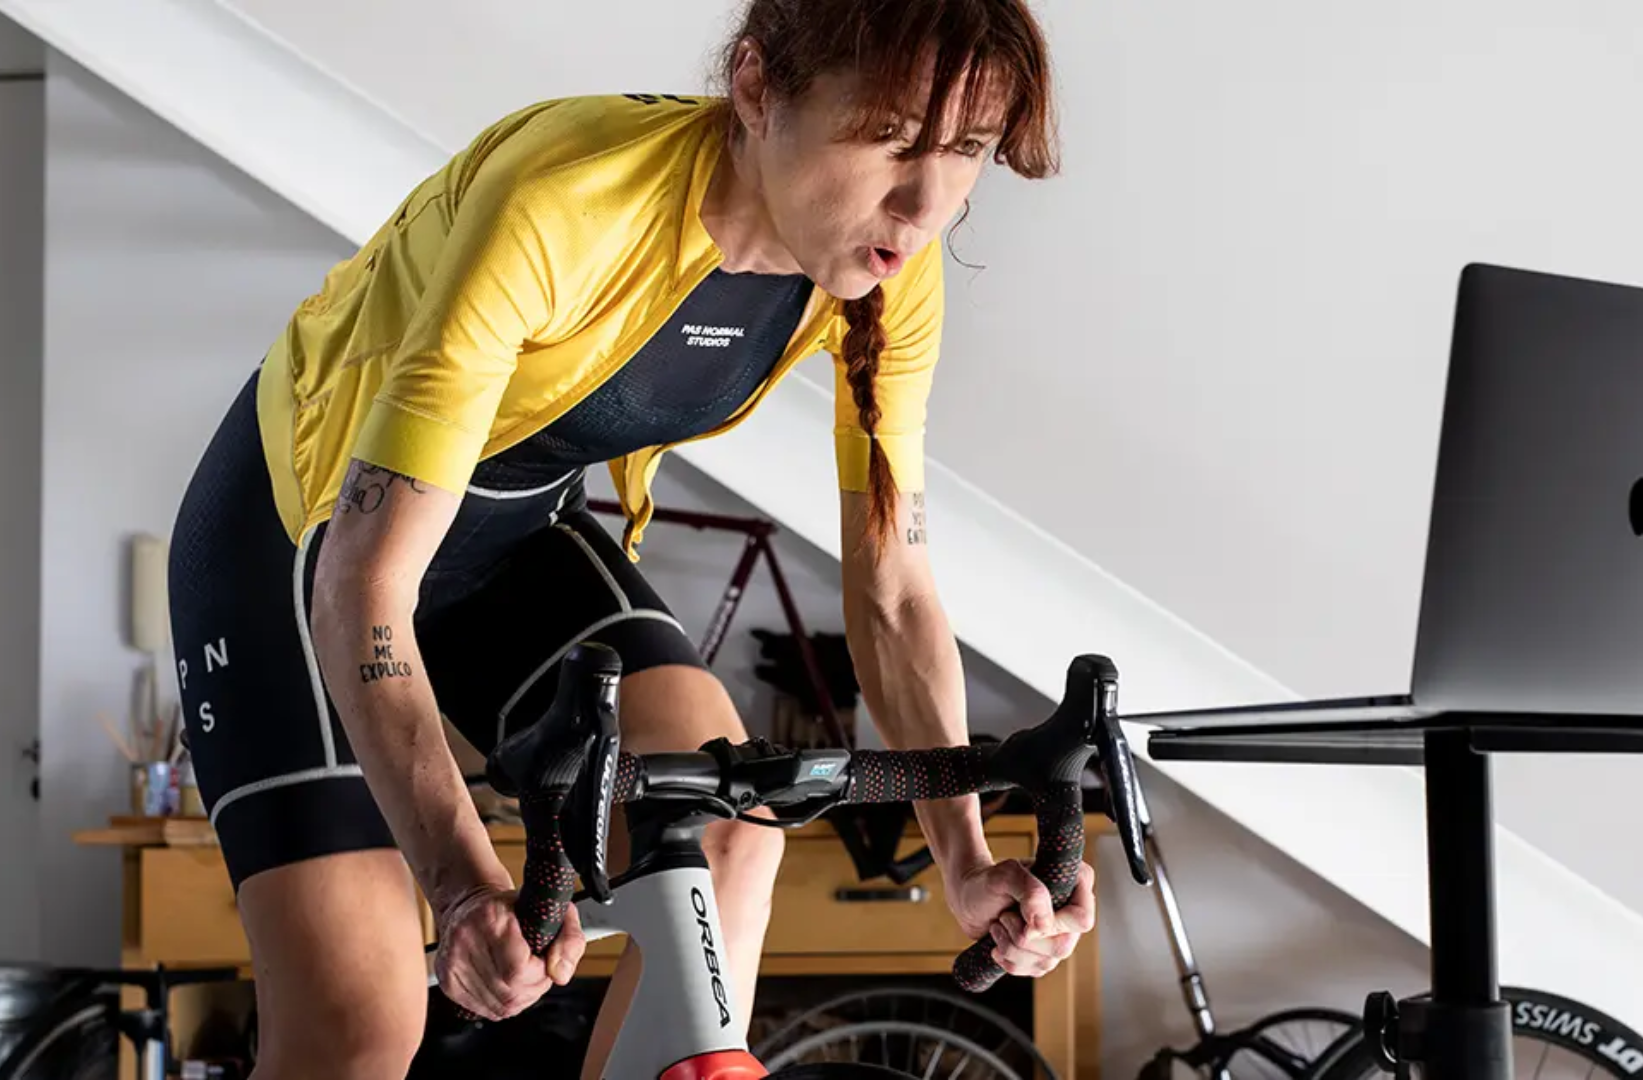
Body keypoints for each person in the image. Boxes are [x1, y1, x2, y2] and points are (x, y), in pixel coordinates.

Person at [165, 0, 1094, 1076]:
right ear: (756, 89)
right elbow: (362, 587)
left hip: (508, 537)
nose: (928, 203)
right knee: (363, 1024)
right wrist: (464, 887)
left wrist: (969, 858)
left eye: (967, 151)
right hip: (305, 550)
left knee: (730, 816)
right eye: (889, 137)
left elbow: (892, 589)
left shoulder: (887, 269)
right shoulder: (561, 204)